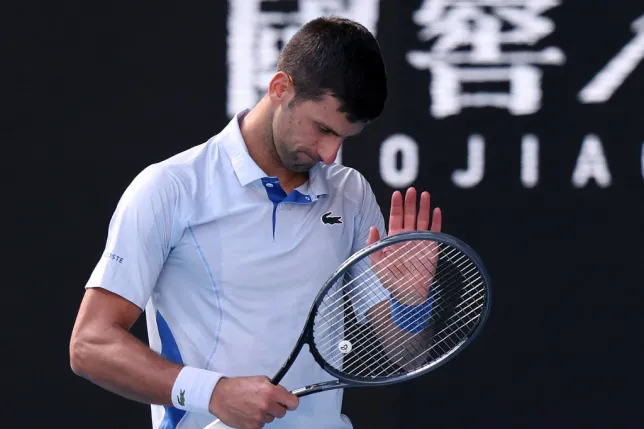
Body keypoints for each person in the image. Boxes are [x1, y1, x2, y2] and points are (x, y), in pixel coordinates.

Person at [69, 16, 442, 429]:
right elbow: (90, 345)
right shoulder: (170, 188)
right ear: (281, 88)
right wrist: (212, 392)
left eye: (343, 138)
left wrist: (410, 306)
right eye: (322, 129)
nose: (330, 154)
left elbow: (407, 354)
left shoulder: (350, 194)